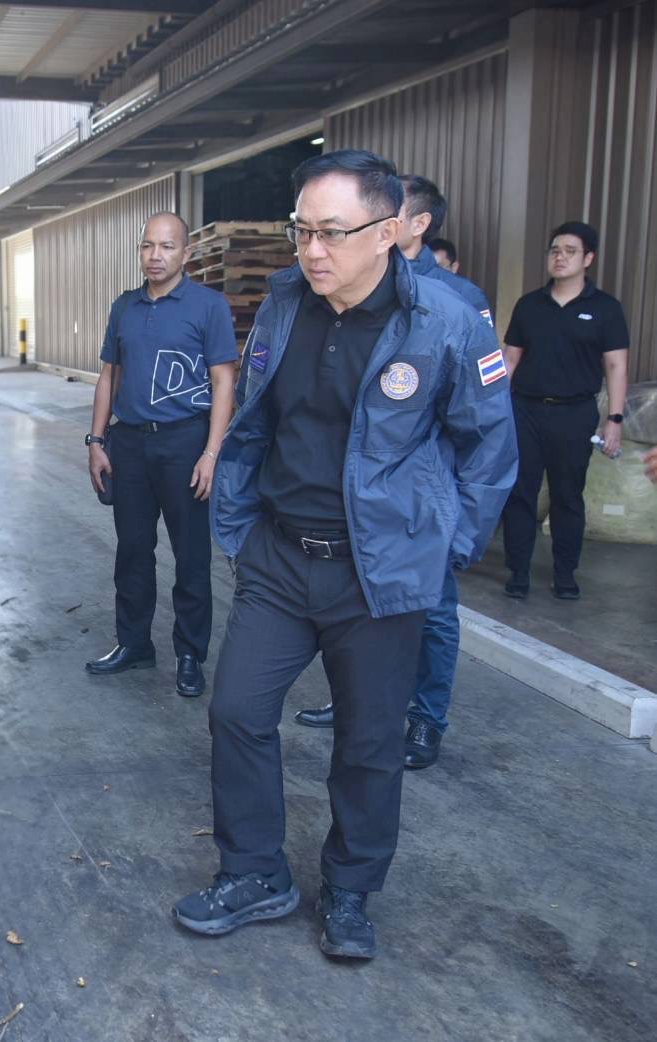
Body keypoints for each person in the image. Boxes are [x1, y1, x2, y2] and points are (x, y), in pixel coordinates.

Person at [172, 150, 516, 961]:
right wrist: (245, 524)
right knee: (236, 713)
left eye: (330, 233)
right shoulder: (287, 304)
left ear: (389, 233)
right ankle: (257, 872)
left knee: (367, 743)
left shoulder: (449, 324)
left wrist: (446, 548)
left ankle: (351, 890)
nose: (311, 250)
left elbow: (491, 449)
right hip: (283, 560)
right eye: (301, 232)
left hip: (382, 573)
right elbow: (259, 420)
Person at [293, 174, 496, 770]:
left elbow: (484, 432)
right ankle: (352, 700)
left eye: (390, 213)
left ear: (411, 225)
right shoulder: (340, 297)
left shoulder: (455, 303)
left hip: (418, 513)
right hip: (355, 508)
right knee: (352, 619)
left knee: (431, 614)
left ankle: (426, 718)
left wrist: (453, 537)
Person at [86, 212, 238, 698]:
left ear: (186, 253)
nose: (155, 256)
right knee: (132, 550)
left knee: (191, 555)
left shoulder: (208, 306)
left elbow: (223, 382)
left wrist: (211, 453)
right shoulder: (124, 307)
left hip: (184, 442)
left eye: (167, 247)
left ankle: (190, 653)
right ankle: (134, 643)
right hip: (129, 443)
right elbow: (109, 375)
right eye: (148, 246)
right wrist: (96, 442)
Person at [499, 221, 630, 599]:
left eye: (570, 251)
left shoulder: (605, 309)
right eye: (555, 250)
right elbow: (509, 360)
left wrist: (615, 420)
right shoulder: (529, 305)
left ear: (588, 258)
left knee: (567, 496)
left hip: (575, 414)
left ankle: (565, 573)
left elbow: (616, 367)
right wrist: (493, 410)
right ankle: (518, 572)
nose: (560, 257)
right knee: (520, 492)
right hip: (524, 410)